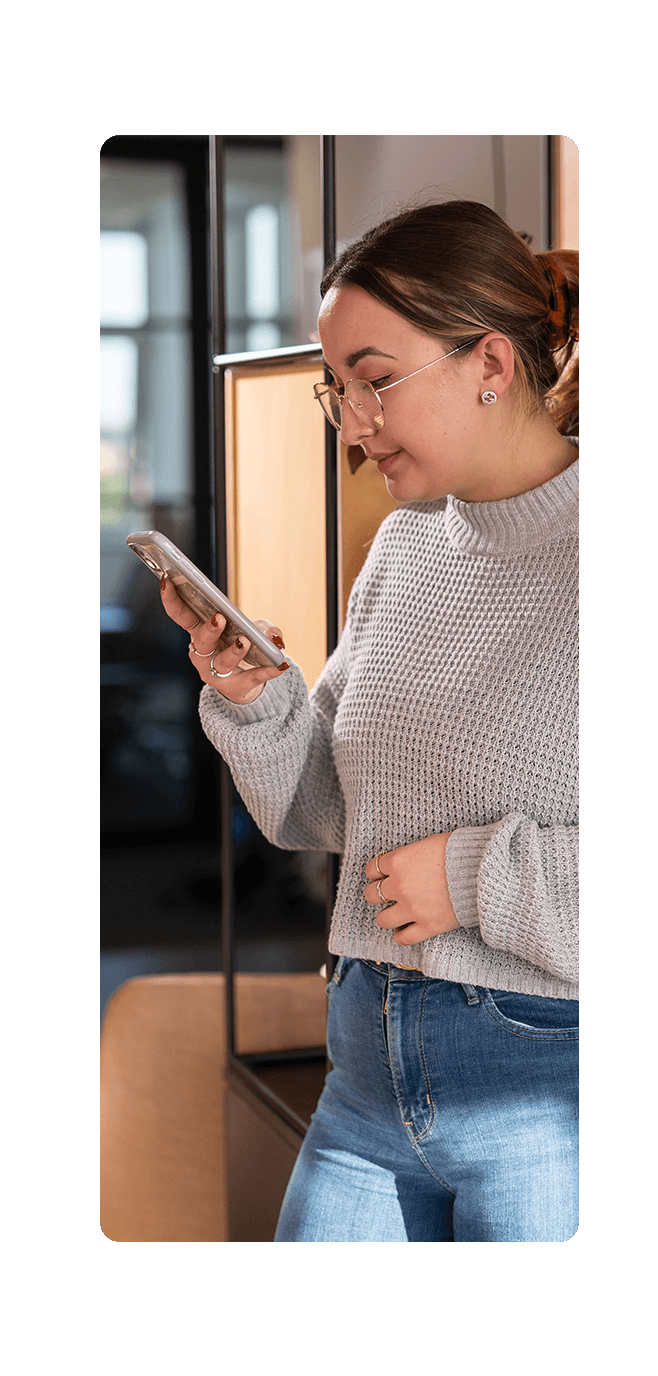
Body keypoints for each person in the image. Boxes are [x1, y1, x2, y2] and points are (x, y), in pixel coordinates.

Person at [161, 200, 579, 1242]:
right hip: (362, 1077)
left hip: (541, 1102)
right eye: (335, 387)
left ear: (490, 360)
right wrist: (257, 699)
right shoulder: (404, 549)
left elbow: (440, 867)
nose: (351, 422)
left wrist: (476, 875)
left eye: (375, 378)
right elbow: (325, 815)